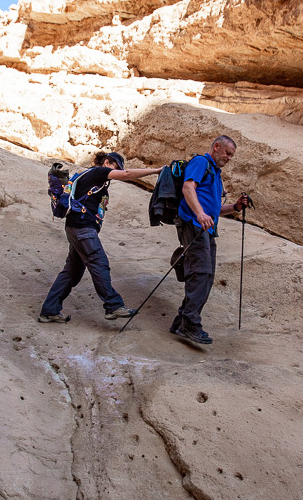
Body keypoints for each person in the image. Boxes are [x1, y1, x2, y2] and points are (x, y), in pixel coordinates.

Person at [39, 152, 163, 323]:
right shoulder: (98, 172)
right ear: (106, 162)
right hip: (83, 229)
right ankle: (113, 306)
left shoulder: (95, 179)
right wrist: (156, 171)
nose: (118, 172)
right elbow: (126, 175)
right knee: (99, 263)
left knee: (72, 273)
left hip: (77, 228)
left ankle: (49, 310)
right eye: (116, 167)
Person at [171, 135, 252, 345]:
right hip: (194, 225)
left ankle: (181, 321)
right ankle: (190, 324)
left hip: (206, 228)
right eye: (227, 153)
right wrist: (199, 214)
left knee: (205, 275)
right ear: (216, 147)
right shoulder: (201, 163)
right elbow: (188, 188)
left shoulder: (216, 174)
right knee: (202, 273)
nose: (229, 158)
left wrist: (235, 207)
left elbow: (214, 211)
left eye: (231, 155)